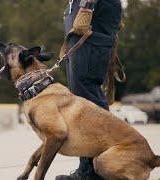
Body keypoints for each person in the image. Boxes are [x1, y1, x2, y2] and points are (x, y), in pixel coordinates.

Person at [56, 0, 122, 179]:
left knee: (88, 106)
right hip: (80, 41)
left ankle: (95, 170)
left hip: (89, 42)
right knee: (82, 106)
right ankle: (89, 168)